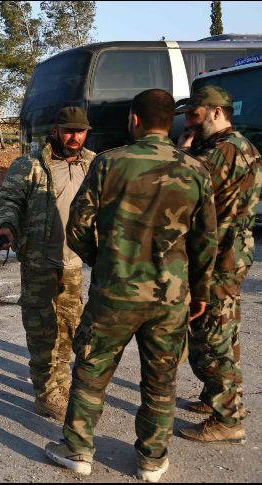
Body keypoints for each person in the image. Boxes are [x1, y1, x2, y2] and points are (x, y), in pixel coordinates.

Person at [44, 89, 218, 483]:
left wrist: (103, 263)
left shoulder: (108, 164)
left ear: (134, 120)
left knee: (91, 369)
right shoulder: (195, 170)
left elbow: (78, 227)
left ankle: (77, 450)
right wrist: (200, 292)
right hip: (170, 297)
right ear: (169, 121)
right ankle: (151, 460)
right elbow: (206, 240)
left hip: (115, 293)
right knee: (161, 380)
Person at [0, 106, 95, 421]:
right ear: (55, 131)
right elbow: (9, 202)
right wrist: (7, 228)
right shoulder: (29, 165)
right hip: (38, 263)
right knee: (40, 332)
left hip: (73, 264)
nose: (75, 137)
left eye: (80, 131)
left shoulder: (94, 165)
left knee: (67, 330)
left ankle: (60, 387)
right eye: (68, 131)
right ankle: (45, 394)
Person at [175, 85, 262, 444]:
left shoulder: (222, 151)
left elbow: (180, 186)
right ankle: (217, 399)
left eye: (193, 114)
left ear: (214, 112)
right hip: (227, 252)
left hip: (218, 256)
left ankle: (228, 417)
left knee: (212, 338)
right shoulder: (230, 146)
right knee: (223, 332)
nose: (187, 121)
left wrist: (179, 153)